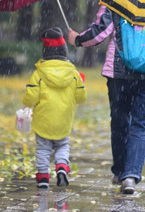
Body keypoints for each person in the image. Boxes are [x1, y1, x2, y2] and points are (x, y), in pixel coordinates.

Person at [68, 6, 145, 194]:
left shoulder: (115, 0)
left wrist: (77, 39)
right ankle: (130, 176)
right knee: (141, 125)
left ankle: (119, 171)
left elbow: (99, 33)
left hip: (119, 73)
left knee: (120, 122)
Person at [23, 27, 87, 188]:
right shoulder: (73, 73)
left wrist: (26, 105)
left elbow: (30, 97)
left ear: (45, 51)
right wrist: (80, 84)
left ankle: (43, 176)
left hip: (43, 119)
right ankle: (61, 167)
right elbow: (81, 97)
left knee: (43, 148)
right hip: (63, 120)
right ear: (64, 51)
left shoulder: (38, 74)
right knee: (62, 145)